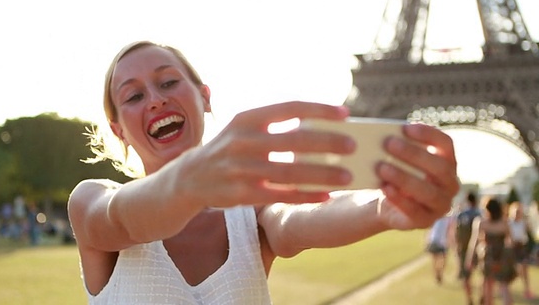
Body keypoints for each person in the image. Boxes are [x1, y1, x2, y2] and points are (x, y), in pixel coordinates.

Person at [67, 40, 460, 304]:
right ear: (118, 130)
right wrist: (193, 178)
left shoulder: (252, 210)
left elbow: (297, 219)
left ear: (204, 97)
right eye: (134, 96)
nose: (156, 99)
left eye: (169, 81)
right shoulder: (91, 202)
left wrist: (381, 207)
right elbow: (125, 217)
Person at [466, 197, 516, 305]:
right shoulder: (504, 223)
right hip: (502, 256)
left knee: (488, 286)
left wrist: (469, 259)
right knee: (504, 286)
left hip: (487, 256)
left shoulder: (481, 222)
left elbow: (474, 242)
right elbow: (510, 241)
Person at [455, 192, 481, 304]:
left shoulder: (462, 214)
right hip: (479, 248)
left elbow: (457, 232)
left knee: (466, 276)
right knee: (482, 273)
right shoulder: (480, 214)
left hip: (464, 248)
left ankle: (469, 298)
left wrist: (458, 245)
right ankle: (481, 295)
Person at [508, 201, 534, 299]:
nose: (517, 213)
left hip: (521, 247)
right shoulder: (508, 222)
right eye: (516, 211)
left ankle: (527, 291)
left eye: (519, 211)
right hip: (512, 248)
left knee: (524, 270)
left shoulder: (524, 222)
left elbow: (529, 232)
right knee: (511, 270)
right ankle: (507, 291)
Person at [426, 211, 454, 284]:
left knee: (439, 260)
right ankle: (438, 274)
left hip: (439, 241)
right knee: (438, 260)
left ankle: (438, 274)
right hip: (439, 241)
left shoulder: (446, 219)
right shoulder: (442, 219)